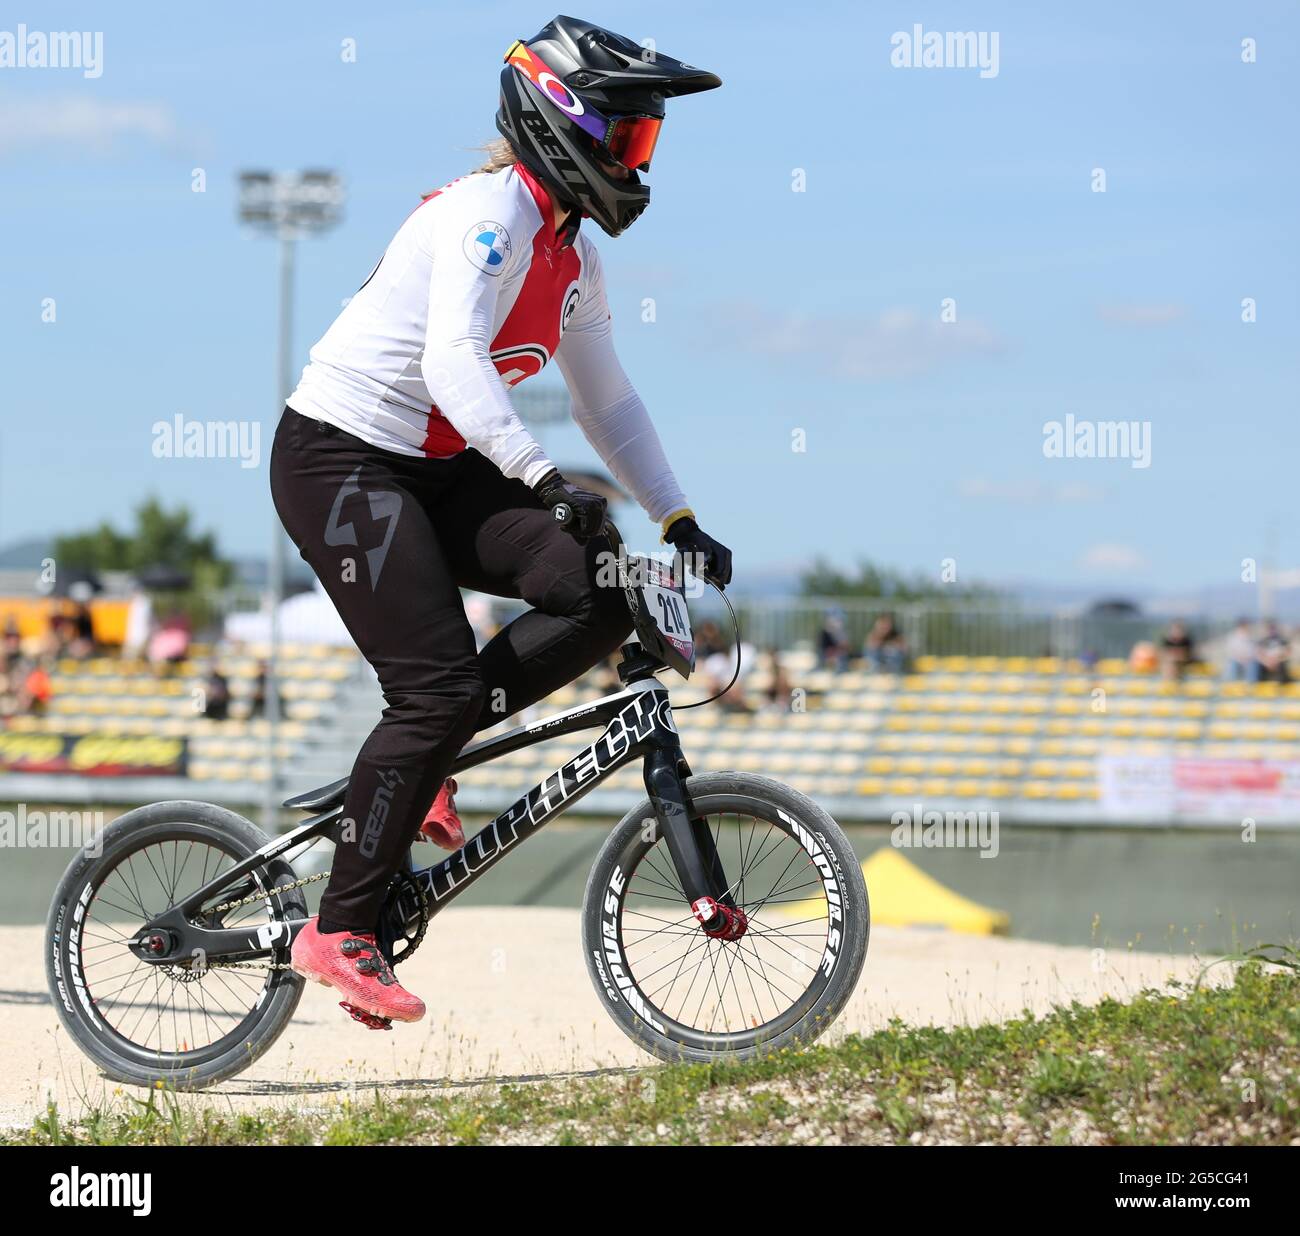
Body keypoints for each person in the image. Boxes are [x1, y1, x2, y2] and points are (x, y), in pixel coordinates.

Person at [272, 17, 731, 1027]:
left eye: (642, 146)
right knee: (432, 687)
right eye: (625, 139)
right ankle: (337, 927)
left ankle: (424, 758)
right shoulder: (492, 217)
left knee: (601, 589)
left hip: (437, 468)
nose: (632, 162)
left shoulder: (572, 257)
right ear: (556, 118)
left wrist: (678, 514)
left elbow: (609, 402)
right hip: (340, 459)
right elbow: (452, 363)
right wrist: (543, 478)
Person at [1222, 618, 1259, 682]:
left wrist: (1247, 659)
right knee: (1232, 664)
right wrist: (1241, 659)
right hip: (1237, 660)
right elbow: (1231, 652)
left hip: (1248, 661)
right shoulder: (1233, 637)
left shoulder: (1251, 638)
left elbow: (1254, 652)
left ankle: (1251, 684)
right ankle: (1230, 683)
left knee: (1253, 664)